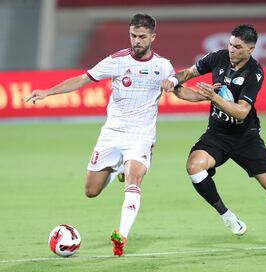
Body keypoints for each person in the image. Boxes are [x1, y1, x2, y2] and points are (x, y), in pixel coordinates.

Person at [161, 24, 266, 250]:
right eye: (230, 44)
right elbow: (188, 74)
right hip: (217, 135)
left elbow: (241, 111)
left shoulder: (254, 72)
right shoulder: (218, 58)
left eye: (237, 47)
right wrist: (173, 82)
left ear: (250, 50)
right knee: (194, 167)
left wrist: (212, 96)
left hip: (245, 138)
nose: (231, 50)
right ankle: (227, 216)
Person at [26, 13, 176, 256]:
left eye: (141, 36)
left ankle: (122, 235)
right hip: (112, 134)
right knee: (91, 191)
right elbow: (82, 79)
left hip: (141, 135)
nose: (136, 41)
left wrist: (200, 93)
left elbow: (179, 87)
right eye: (133, 36)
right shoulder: (117, 60)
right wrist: (47, 92)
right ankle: (117, 168)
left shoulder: (163, 66)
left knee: (134, 179)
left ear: (152, 37)